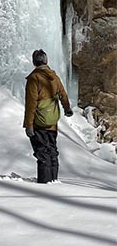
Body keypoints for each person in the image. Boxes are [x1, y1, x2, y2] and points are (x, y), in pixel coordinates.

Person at [24, 49, 73, 183]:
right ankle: (53, 180)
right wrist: (67, 108)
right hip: (52, 123)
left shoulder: (34, 78)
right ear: (46, 61)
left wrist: (29, 124)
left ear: (34, 62)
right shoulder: (54, 77)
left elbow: (31, 104)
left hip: (38, 124)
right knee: (52, 151)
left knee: (42, 152)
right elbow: (63, 95)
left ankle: (45, 183)